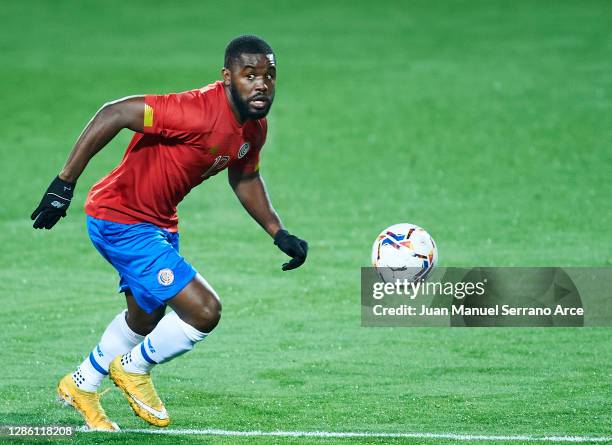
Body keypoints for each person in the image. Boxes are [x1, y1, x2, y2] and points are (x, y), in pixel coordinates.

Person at [30, 35, 308, 431]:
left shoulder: (253, 128)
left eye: (269, 75)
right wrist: (64, 183)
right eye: (250, 75)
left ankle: (81, 385)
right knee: (203, 311)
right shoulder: (194, 111)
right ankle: (134, 368)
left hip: (157, 223)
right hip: (120, 219)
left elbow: (245, 177)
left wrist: (277, 232)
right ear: (227, 77)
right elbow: (115, 113)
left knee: (145, 316)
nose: (261, 84)